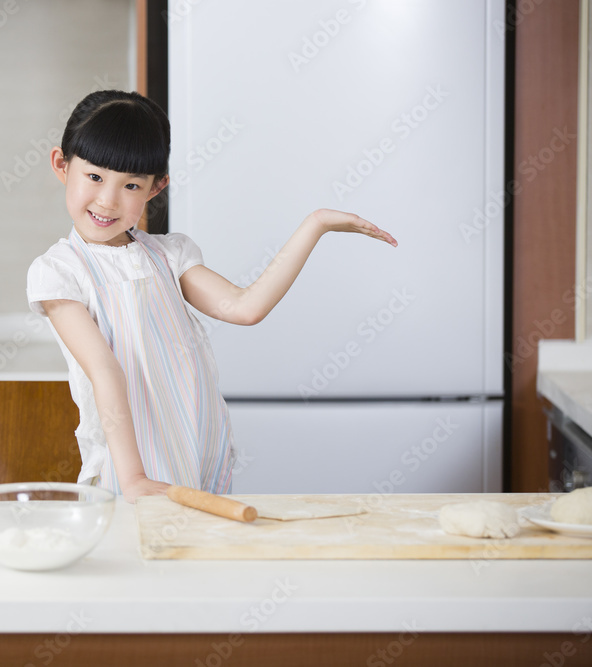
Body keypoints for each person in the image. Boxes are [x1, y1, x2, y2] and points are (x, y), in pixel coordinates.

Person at [27, 90, 397, 502]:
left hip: (195, 450)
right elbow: (104, 369)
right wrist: (132, 477)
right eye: (94, 177)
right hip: (127, 466)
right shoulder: (59, 272)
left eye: (130, 184)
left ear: (155, 187)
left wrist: (316, 224)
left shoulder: (169, 256)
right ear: (62, 165)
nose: (107, 200)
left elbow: (246, 307)